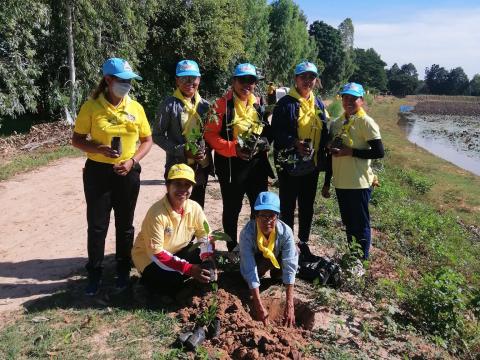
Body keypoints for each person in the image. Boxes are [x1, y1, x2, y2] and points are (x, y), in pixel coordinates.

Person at [72, 57, 153, 295]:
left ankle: (122, 269)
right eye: (123, 80)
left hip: (127, 171)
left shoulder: (135, 107)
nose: (127, 84)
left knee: (125, 224)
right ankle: (94, 273)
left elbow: (148, 140)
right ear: (108, 80)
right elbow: (76, 140)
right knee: (97, 225)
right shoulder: (91, 107)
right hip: (98, 173)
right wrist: (97, 149)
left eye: (130, 81)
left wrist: (132, 161)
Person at [205, 63, 274, 251]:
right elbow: (210, 135)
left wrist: (264, 143)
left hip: (256, 165)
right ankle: (232, 247)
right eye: (242, 80)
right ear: (234, 81)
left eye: (251, 80)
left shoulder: (258, 103)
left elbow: (264, 130)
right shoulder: (220, 105)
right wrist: (233, 148)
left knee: (258, 208)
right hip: (230, 165)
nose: (247, 84)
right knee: (232, 209)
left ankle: (255, 245)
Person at [271, 61, 329, 262]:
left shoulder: (318, 103)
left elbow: (325, 131)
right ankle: (287, 244)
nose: (307, 81)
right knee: (287, 205)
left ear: (316, 80)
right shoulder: (285, 104)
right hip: (289, 166)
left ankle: (303, 243)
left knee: (307, 206)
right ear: (295, 79)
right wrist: (295, 143)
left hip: (311, 166)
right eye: (303, 77)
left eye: (311, 77)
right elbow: (276, 134)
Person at [132, 164, 215, 298]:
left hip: (177, 250)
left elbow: (205, 235)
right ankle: (144, 284)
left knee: (204, 264)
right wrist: (189, 269)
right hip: (149, 258)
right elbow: (157, 253)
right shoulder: (156, 213)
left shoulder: (194, 208)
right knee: (172, 283)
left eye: (187, 184)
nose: (183, 189)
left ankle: (179, 276)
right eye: (178, 184)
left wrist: (208, 259)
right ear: (168, 185)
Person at [323, 82, 385, 259]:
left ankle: (361, 261)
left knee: (361, 224)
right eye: (345, 98)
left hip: (359, 183)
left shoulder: (366, 122)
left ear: (362, 101)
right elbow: (330, 156)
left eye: (353, 98)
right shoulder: (337, 123)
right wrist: (327, 183)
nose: (348, 101)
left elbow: (379, 152)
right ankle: (353, 256)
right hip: (341, 182)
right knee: (349, 223)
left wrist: (351, 152)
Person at [153, 60, 211, 207]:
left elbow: (211, 135)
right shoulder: (169, 104)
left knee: (196, 209)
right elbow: (157, 136)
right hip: (177, 166)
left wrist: (205, 151)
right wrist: (181, 151)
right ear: (177, 80)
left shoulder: (206, 106)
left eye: (193, 78)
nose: (189, 82)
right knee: (176, 209)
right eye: (184, 78)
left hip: (199, 168)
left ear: (199, 79)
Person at [239, 192, 298, 327]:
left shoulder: (285, 232)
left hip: (276, 256)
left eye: (271, 216)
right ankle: (262, 284)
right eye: (263, 216)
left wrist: (290, 305)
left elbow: (290, 265)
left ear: (277, 217)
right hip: (258, 261)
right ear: (255, 216)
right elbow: (249, 267)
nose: (268, 221)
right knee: (245, 278)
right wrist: (258, 306)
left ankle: (276, 276)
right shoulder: (247, 233)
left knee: (295, 252)